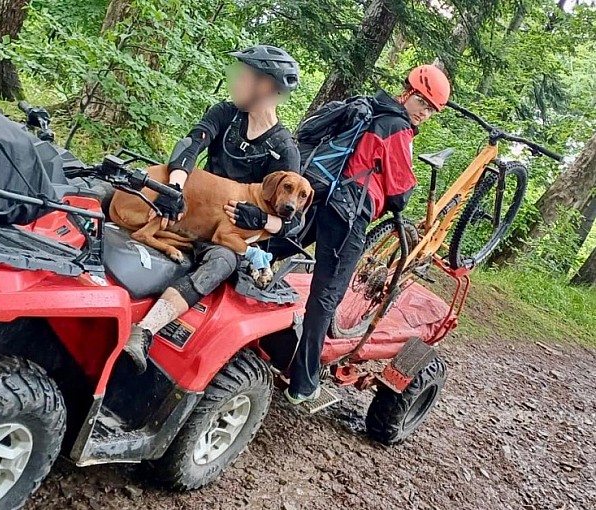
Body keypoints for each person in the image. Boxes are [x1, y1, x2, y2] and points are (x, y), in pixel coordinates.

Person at [124, 45, 303, 373]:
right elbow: (192, 144)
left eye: (244, 77)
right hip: (188, 205)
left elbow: (293, 223)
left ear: (265, 86)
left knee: (220, 262)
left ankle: (145, 331)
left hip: (227, 236)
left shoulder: (284, 150)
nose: (235, 82)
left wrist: (263, 219)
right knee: (116, 185)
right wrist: (174, 187)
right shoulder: (226, 113)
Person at [285, 64, 451, 404]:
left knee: (278, 245)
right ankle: (303, 383)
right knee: (327, 296)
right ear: (410, 94)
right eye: (425, 104)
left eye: (432, 110)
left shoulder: (368, 108)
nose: (426, 114)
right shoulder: (397, 128)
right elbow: (401, 193)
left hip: (319, 196)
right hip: (348, 216)